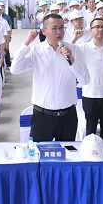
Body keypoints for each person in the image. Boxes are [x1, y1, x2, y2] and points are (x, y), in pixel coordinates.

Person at [11, 13, 89, 141]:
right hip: (42, 116)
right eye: (54, 28)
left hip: (68, 116)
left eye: (61, 28)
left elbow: (85, 80)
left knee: (67, 151)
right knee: (39, 151)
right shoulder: (36, 51)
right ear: (44, 31)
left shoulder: (74, 50)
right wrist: (27, 42)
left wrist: (72, 61)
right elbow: (15, 69)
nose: (59, 32)